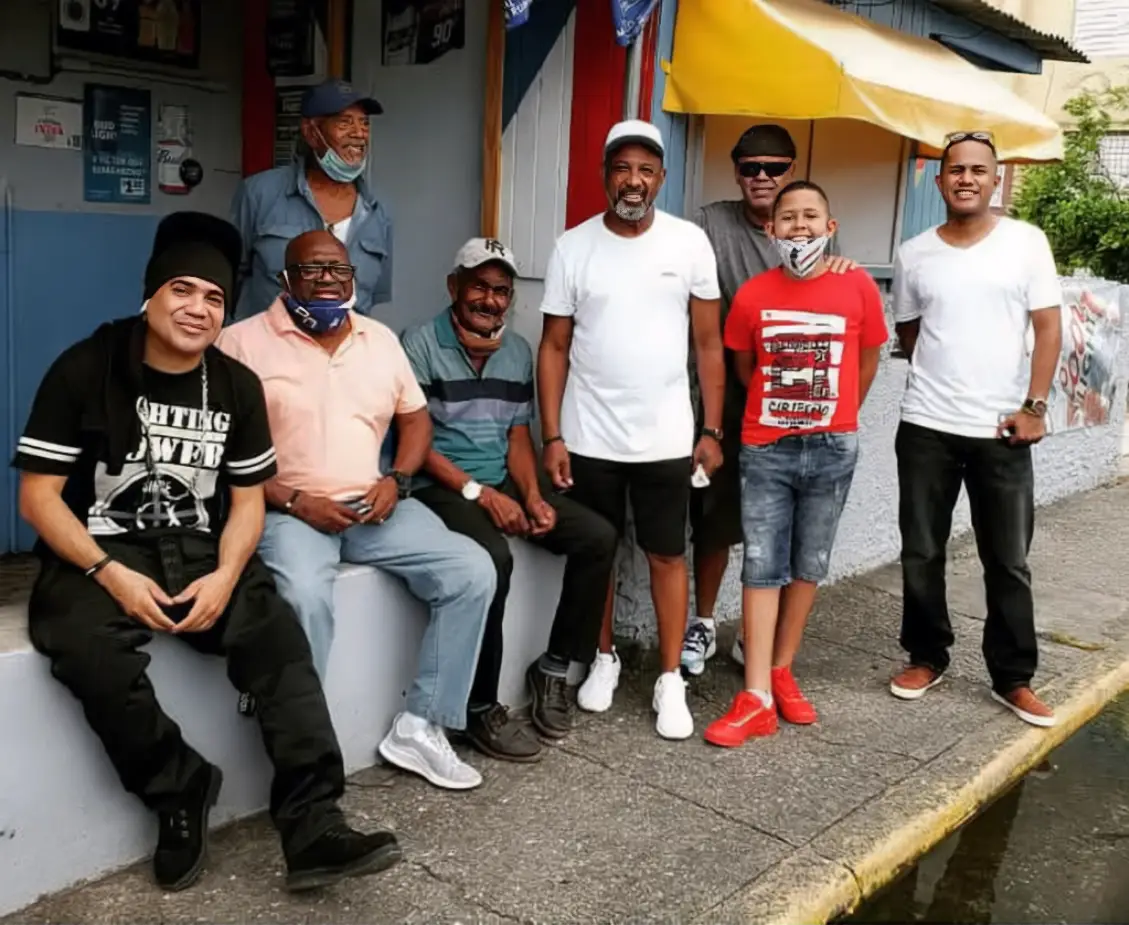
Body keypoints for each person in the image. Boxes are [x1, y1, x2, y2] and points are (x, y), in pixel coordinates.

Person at [13, 212, 400, 893]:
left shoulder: (233, 384)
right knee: (80, 647)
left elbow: (248, 501)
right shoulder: (85, 366)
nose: (197, 308)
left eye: (214, 297)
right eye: (182, 290)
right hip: (99, 547)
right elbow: (39, 497)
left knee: (279, 642)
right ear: (151, 294)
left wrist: (225, 576)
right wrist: (110, 575)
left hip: (200, 548)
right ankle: (179, 788)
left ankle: (313, 823)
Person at [217, 230, 496, 790]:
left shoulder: (379, 339)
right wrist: (296, 500)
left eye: (338, 271)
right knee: (303, 595)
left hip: (372, 504)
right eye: (313, 270)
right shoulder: (239, 343)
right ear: (285, 279)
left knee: (472, 571)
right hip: (288, 510)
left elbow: (414, 420)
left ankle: (420, 726)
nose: (327, 280)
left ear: (354, 279)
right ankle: (302, 742)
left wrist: (398, 478)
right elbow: (223, 450)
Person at [537, 120, 725, 740]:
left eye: (647, 169)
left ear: (662, 178)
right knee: (601, 554)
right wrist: (553, 435)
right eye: (623, 168)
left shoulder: (689, 243)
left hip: (667, 437)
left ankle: (670, 679)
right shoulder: (573, 246)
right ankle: (604, 658)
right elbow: (554, 346)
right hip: (588, 435)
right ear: (605, 175)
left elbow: (707, 343)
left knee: (668, 554)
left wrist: (712, 429)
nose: (634, 180)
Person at [402, 238, 619, 761]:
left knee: (598, 536)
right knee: (492, 560)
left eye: (502, 290)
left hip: (499, 481)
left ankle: (553, 668)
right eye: (479, 285)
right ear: (454, 287)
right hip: (442, 487)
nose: (490, 299)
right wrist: (481, 495)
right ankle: (479, 708)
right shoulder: (418, 344)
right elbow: (417, 442)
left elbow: (518, 436)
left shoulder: (518, 350)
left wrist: (529, 496)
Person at [702, 181, 888, 747]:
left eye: (811, 216)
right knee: (761, 564)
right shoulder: (753, 295)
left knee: (810, 561)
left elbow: (869, 356)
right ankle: (755, 695)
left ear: (831, 227)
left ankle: (782, 669)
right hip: (766, 447)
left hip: (833, 446)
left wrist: (840, 415)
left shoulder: (856, 283)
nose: (799, 226)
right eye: (788, 217)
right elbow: (742, 370)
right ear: (771, 228)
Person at [890, 131, 1062, 727]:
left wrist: (1034, 407)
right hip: (926, 427)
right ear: (938, 182)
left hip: (1003, 429)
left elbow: (1048, 328)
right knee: (921, 550)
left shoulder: (1026, 244)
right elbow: (910, 335)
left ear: (995, 179)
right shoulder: (915, 253)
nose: (966, 178)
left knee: (1008, 558)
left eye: (978, 170)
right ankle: (926, 655)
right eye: (955, 170)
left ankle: (1012, 677)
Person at [681, 123, 854, 676]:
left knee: (777, 528)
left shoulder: (816, 233)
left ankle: (756, 637)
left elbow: (849, 319)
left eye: (774, 168)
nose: (762, 177)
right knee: (716, 517)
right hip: (723, 398)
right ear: (736, 172)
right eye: (750, 167)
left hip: (797, 406)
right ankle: (704, 622)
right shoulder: (708, 223)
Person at [231, 79, 392, 321]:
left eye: (364, 123)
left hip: (341, 354)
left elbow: (374, 298)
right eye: (345, 122)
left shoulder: (378, 212)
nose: (359, 134)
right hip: (267, 351)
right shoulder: (260, 193)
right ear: (311, 132)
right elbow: (229, 277)